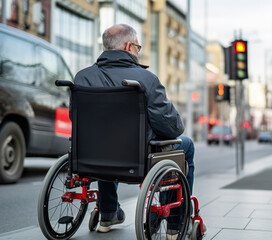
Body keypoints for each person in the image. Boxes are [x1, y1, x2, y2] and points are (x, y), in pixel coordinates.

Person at [73, 24, 195, 233]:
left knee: (105, 142)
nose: (138, 51)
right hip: (137, 157)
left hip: (91, 156)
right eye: (138, 47)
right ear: (129, 46)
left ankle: (109, 213)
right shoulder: (146, 79)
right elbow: (171, 128)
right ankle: (175, 224)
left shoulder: (82, 78)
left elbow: (75, 118)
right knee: (187, 145)